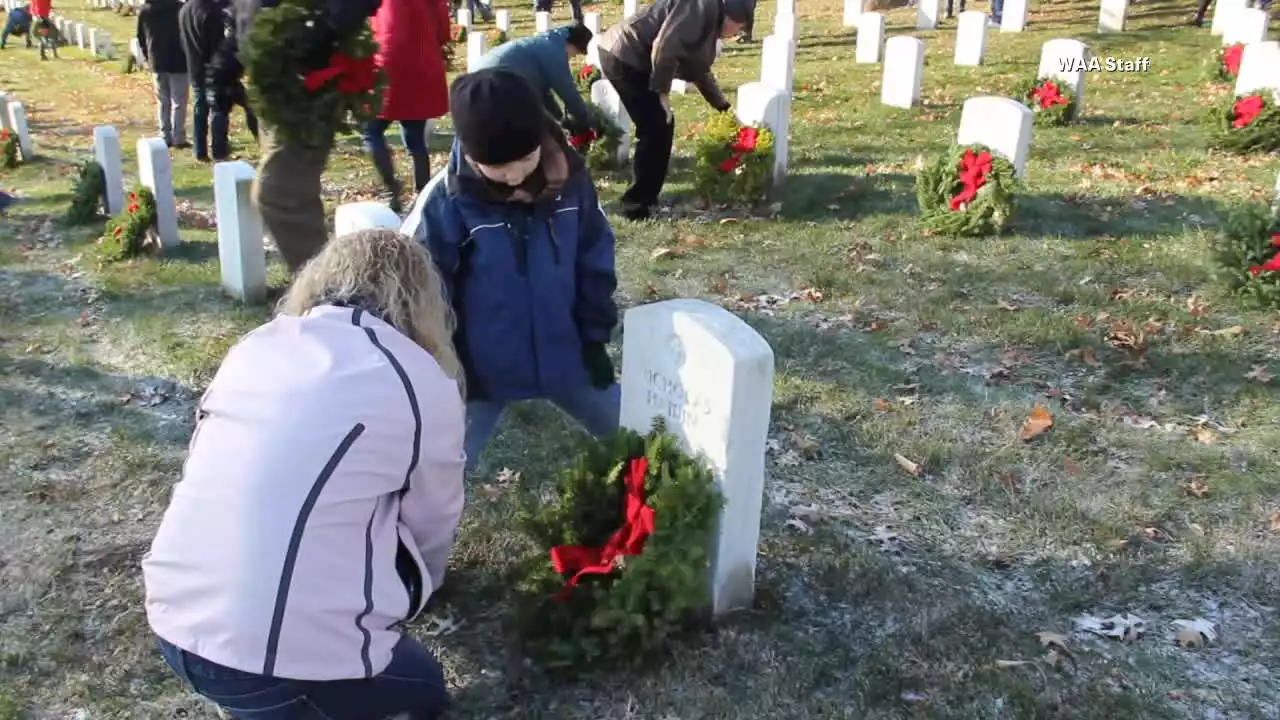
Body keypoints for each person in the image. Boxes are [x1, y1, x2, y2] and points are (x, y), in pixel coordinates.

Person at [142, 228, 464, 720]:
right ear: (421, 300)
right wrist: (423, 586)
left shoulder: (255, 345)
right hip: (274, 664)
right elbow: (433, 517)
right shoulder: (418, 378)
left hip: (171, 622)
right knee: (424, 686)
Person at [402, 69, 619, 473]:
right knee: (442, 469)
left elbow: (595, 257)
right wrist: (445, 359)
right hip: (480, 368)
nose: (515, 175)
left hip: (567, 351)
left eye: (525, 158)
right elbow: (422, 286)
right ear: (469, 156)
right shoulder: (447, 202)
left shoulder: (571, 185)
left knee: (634, 434)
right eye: (497, 167)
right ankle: (415, 533)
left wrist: (594, 335)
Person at [233, 0, 384, 273]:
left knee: (279, 195)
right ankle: (323, 287)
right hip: (270, 75)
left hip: (305, 74)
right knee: (292, 196)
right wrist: (228, 57)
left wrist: (328, 25)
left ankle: (324, 291)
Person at [596, 0, 753, 221]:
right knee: (655, 127)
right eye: (739, 29)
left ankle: (646, 199)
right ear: (732, 18)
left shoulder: (709, 22)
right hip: (624, 55)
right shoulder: (700, 9)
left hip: (636, 60)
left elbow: (699, 71)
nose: (736, 34)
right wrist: (662, 95)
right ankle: (636, 205)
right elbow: (665, 46)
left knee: (659, 128)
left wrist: (723, 108)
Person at [365, 0, 451, 214]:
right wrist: (439, 41)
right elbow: (441, 18)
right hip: (420, 60)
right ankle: (422, 194)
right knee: (415, 138)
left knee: (372, 132)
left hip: (385, 59)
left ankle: (391, 190)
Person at [470, 23, 596, 136]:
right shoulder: (553, 53)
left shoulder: (545, 43)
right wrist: (589, 121)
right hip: (494, 82)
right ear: (570, 44)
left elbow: (543, 95)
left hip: (475, 77)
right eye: (575, 53)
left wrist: (561, 120)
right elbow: (568, 94)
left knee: (472, 130)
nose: (572, 57)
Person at [182, 0, 258, 161]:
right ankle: (219, 151)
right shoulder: (211, 13)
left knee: (200, 110)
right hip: (213, 69)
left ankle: (200, 151)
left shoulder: (185, 10)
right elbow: (218, 45)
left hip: (194, 66)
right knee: (218, 110)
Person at [138, 0, 191, 148]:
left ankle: (165, 134)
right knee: (178, 101)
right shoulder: (180, 8)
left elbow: (141, 36)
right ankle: (178, 136)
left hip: (157, 59)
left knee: (163, 100)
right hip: (178, 59)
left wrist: (147, 55)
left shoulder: (146, 10)